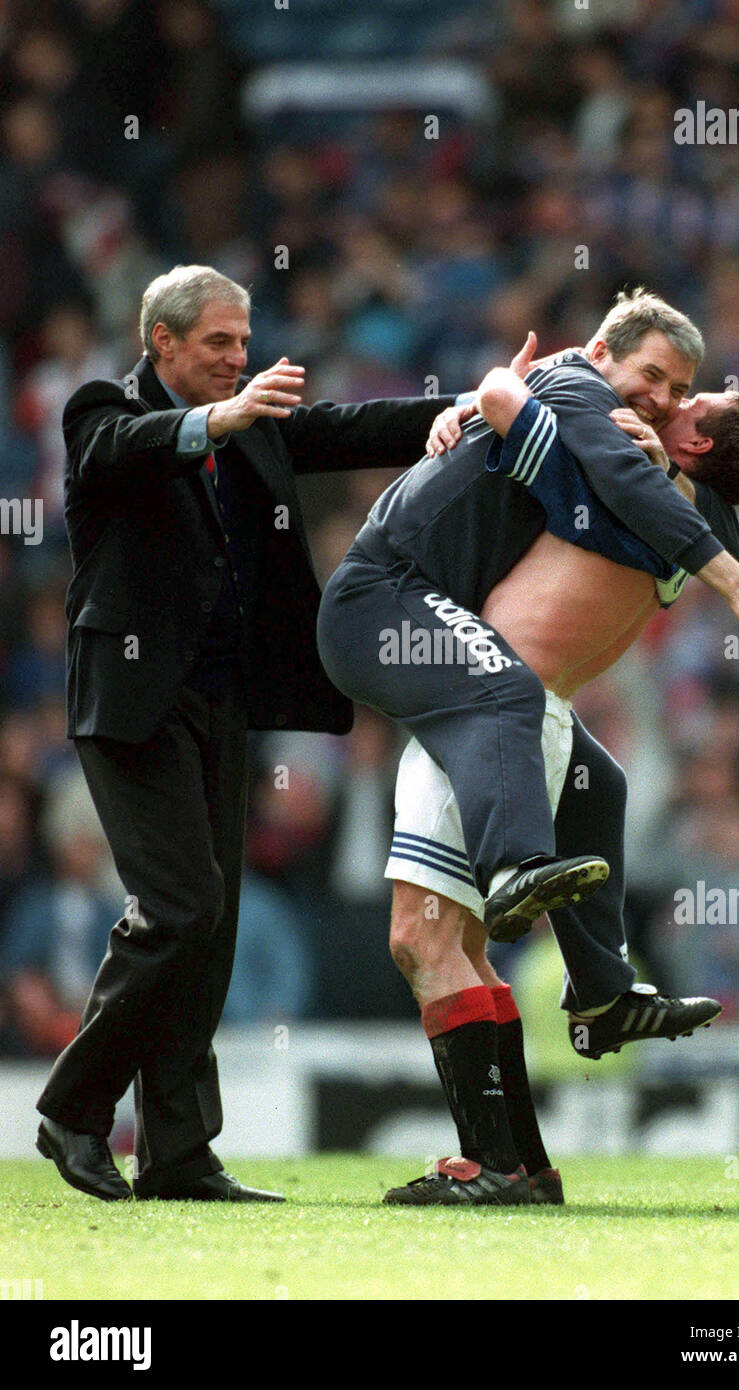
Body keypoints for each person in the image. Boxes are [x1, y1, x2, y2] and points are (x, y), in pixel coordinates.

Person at [315, 289, 739, 1205]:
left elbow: (546, 430)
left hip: (485, 688)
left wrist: (498, 393)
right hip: (401, 616)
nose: (661, 400)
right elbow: (518, 410)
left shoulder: (638, 469)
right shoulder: (577, 396)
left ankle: (517, 1157)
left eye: (681, 392)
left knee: (440, 932)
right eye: (655, 378)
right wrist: (493, 390)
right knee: (438, 930)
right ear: (599, 352)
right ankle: (551, 943)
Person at [35, 263, 460, 1203]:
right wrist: (211, 425)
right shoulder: (101, 408)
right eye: (219, 343)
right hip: (134, 704)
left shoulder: (255, 423)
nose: (239, 357)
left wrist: (488, 403)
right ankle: (74, 1108)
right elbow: (121, 450)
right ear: (164, 344)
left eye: (243, 340)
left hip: (225, 707)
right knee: (180, 908)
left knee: (209, 925)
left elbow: (351, 428)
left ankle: (180, 1156)